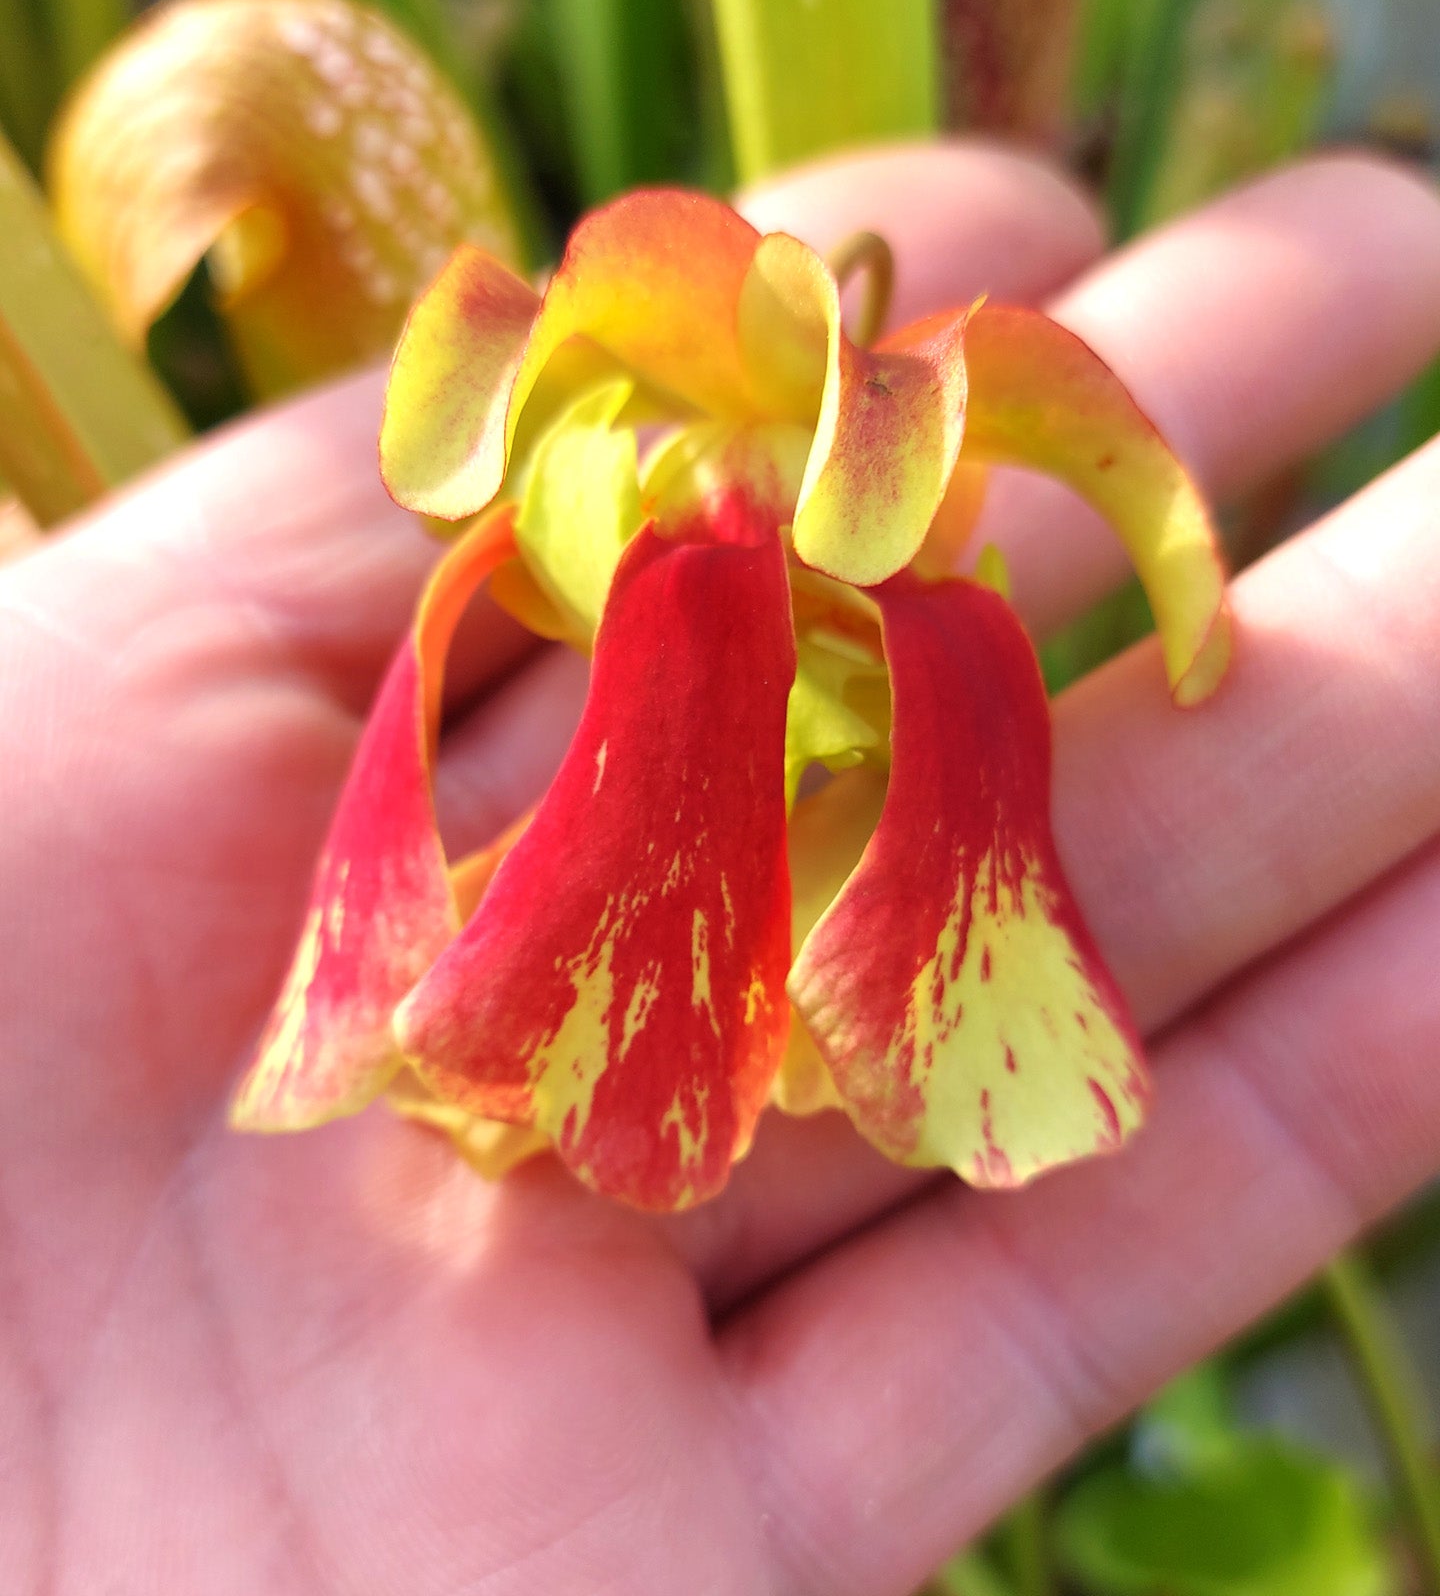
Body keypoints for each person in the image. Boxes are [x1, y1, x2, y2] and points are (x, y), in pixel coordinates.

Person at [3, 142, 1439, 1596]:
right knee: (733, 625)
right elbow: (1158, 582)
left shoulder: (913, 626)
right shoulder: (879, 617)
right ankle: (515, 1013)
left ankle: (571, 1013)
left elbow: (1168, 577)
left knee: (766, 638)